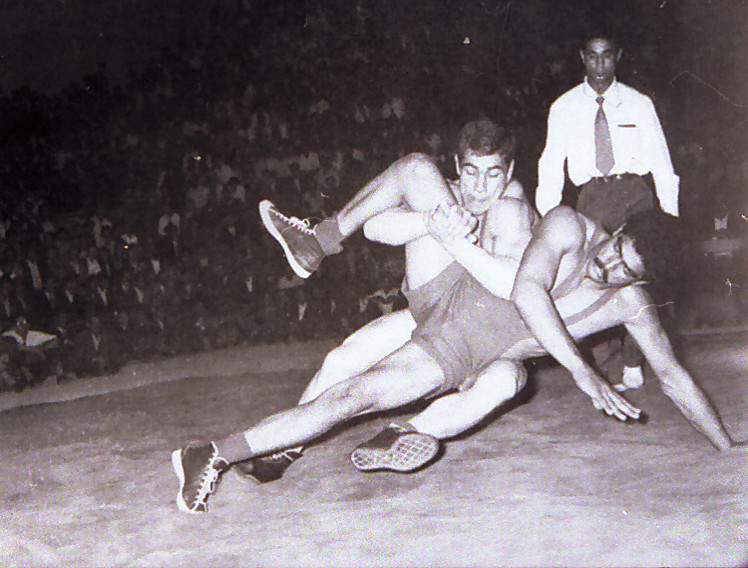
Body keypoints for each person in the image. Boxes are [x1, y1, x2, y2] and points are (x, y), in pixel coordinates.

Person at [171, 205, 744, 514]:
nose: (609, 267)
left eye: (625, 272)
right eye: (617, 252)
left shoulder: (631, 303)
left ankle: (404, 433)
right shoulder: (569, 227)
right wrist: (585, 374)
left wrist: (727, 445)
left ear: (642, 282)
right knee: (347, 393)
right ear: (616, 231)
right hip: (459, 326)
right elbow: (529, 294)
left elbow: (673, 375)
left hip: (486, 357)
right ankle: (213, 453)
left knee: (509, 378)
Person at [241, 119, 537, 483]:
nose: (479, 187)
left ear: (510, 171)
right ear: (458, 167)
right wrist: (431, 222)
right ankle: (282, 450)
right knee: (341, 361)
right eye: (472, 172)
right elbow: (374, 228)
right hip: (435, 312)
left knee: (503, 380)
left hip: (485, 329)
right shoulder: (444, 194)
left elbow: (513, 284)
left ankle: (404, 432)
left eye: (493, 174)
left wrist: (457, 236)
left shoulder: (512, 206)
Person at [534, 30, 681, 391]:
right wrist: (548, 220)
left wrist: (670, 221)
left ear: (618, 57)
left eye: (607, 55)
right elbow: (550, 167)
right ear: (582, 57)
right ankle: (590, 361)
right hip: (591, 199)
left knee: (640, 275)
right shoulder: (564, 107)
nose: (600, 63)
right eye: (593, 55)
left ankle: (633, 363)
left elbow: (662, 163)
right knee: (589, 276)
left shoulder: (639, 103)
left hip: (634, 194)